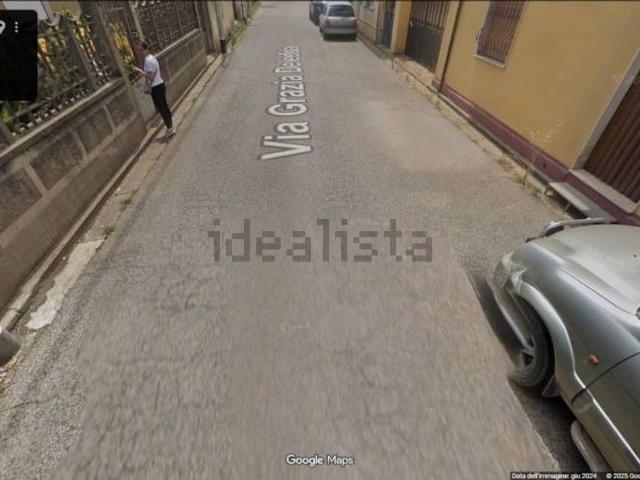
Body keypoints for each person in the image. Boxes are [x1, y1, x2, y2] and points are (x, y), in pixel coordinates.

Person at [135, 41, 175, 139]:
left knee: (162, 109)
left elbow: (151, 77)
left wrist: (140, 72)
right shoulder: (152, 57)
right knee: (164, 107)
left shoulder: (148, 61)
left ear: (146, 49)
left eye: (141, 50)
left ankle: (170, 129)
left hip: (156, 88)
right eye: (138, 50)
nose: (140, 52)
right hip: (160, 85)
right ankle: (170, 127)